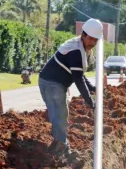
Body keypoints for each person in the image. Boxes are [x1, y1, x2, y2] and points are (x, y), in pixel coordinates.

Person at [38, 18, 103, 154]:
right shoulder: (75, 51)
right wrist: (90, 101)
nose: (92, 43)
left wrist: (92, 88)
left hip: (56, 83)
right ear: (83, 34)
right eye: (90, 39)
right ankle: (62, 147)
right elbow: (78, 79)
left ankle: (58, 144)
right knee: (60, 114)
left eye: (95, 40)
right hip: (51, 83)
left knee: (61, 114)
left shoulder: (81, 47)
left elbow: (79, 73)